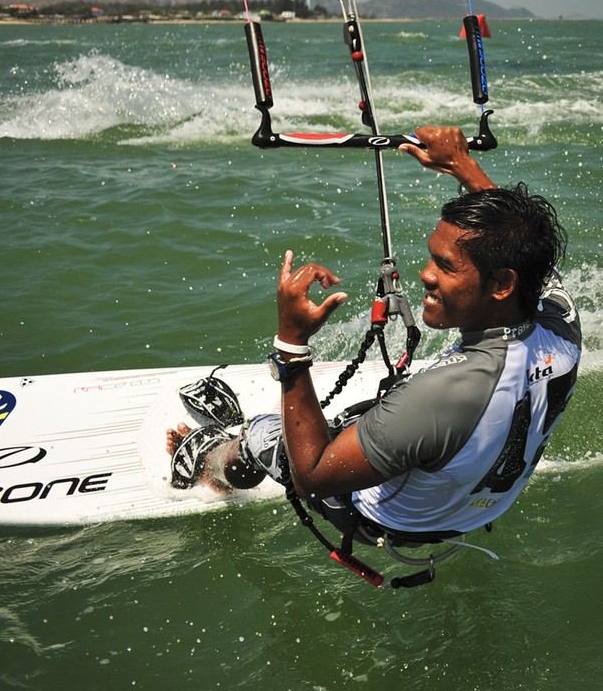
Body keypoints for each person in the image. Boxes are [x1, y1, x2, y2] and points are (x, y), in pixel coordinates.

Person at [166, 125, 581, 547]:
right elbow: (529, 255)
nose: (425, 274)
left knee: (263, 434)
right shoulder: (562, 328)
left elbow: (314, 477)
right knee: (365, 419)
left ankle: (213, 466)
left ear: (501, 284)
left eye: (446, 265)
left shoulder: (445, 394)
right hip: (478, 505)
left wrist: (291, 344)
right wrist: (463, 166)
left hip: (393, 521)